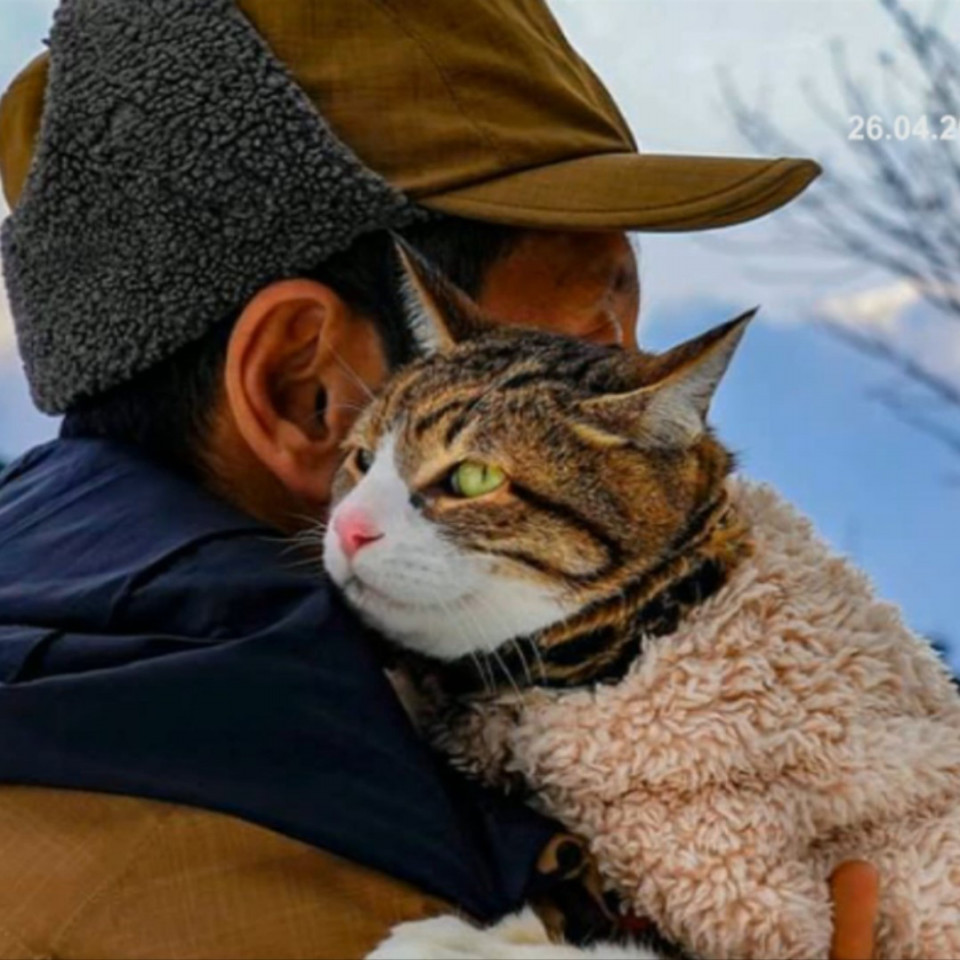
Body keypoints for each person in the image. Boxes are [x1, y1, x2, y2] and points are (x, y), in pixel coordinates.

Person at [0, 0, 877, 957]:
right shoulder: (331, 900)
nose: (653, 415)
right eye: (589, 340)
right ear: (310, 393)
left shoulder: (83, 681)